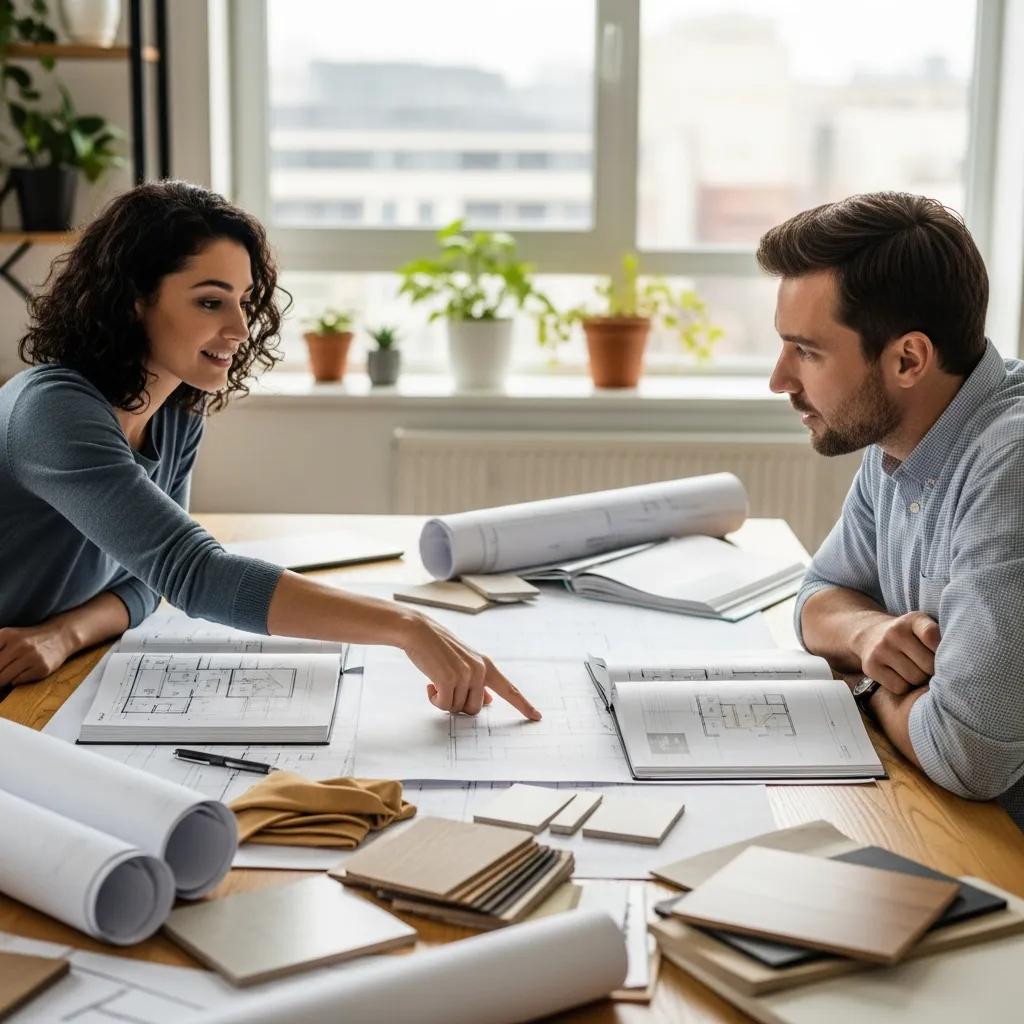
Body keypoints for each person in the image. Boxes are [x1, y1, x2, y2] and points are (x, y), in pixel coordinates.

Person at [0, 180, 540, 723]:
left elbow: (145, 580)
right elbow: (193, 574)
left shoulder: (177, 411)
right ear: (134, 301)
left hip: (34, 669)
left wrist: (63, 634)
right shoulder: (52, 413)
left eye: (242, 300)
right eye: (210, 301)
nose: (238, 328)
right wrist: (406, 626)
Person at [758, 191, 1024, 827]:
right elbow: (820, 594)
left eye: (807, 351)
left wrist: (867, 683)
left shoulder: (1010, 465)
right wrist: (870, 634)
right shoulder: (901, 438)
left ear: (908, 358)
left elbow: (967, 756)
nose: (779, 379)